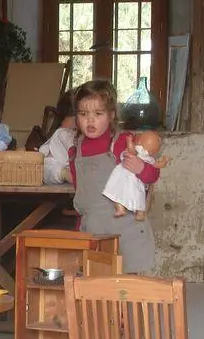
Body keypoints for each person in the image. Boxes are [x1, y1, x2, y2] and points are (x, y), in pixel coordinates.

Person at [67, 79, 162, 274]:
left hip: (126, 230)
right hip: (93, 229)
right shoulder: (75, 151)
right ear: (76, 117)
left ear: (111, 115)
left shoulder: (122, 143)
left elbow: (152, 175)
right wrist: (80, 229)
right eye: (83, 114)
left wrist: (140, 168)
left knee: (127, 289)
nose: (90, 120)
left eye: (98, 114)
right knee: (95, 287)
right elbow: (83, 199)